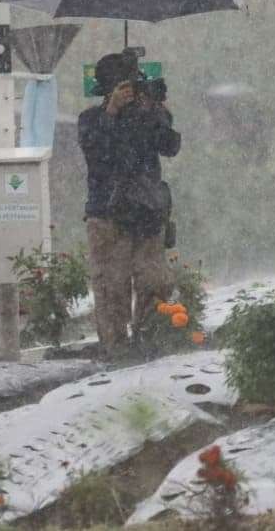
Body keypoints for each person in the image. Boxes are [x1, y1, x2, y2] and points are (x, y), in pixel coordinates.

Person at [78, 49, 180, 358]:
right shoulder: (92, 119)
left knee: (153, 281)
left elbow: (170, 146)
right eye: (124, 87)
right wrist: (111, 112)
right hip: (108, 215)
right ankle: (115, 348)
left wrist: (158, 111)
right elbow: (97, 155)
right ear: (108, 90)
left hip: (146, 212)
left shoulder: (146, 116)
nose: (130, 93)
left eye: (133, 86)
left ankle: (149, 339)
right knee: (112, 287)